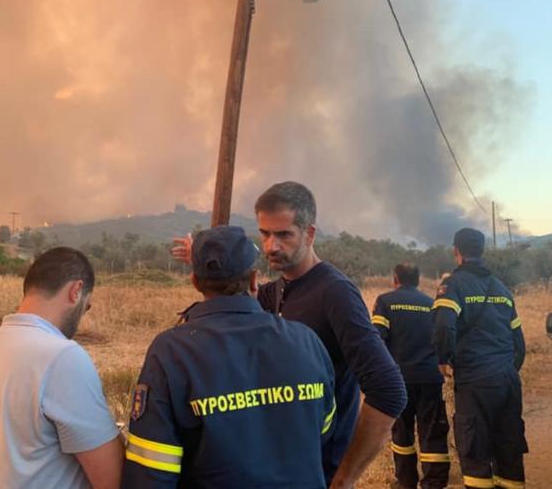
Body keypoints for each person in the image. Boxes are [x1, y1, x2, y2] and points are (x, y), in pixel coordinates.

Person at [172, 182, 407, 488]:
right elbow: (237, 297)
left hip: (319, 469)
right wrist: (208, 261)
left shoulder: (335, 293)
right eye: (265, 233)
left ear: (309, 234)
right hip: (282, 467)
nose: (271, 246)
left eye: (284, 235)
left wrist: (345, 477)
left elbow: (389, 390)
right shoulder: (280, 288)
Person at [123, 226, 336, 488]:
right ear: (254, 280)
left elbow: (152, 469)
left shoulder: (172, 351)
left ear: (195, 282)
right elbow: (324, 429)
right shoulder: (306, 340)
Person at [0, 247, 124, 489]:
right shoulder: (62, 357)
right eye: (87, 307)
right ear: (76, 291)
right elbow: (112, 479)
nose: (83, 315)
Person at [432, 228, 527, 489]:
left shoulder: (453, 285)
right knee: (509, 451)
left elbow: (443, 327)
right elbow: (519, 345)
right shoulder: (502, 289)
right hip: (507, 381)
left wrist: (443, 359)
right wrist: (505, 370)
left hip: (476, 383)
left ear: (456, 251)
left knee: (475, 453)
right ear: (482, 250)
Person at [372, 263, 449, 489]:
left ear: (395, 278)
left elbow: (377, 339)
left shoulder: (385, 301)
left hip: (400, 379)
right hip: (430, 378)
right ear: (418, 279)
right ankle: (434, 482)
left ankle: (405, 482)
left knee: (402, 433)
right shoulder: (431, 303)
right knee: (432, 431)